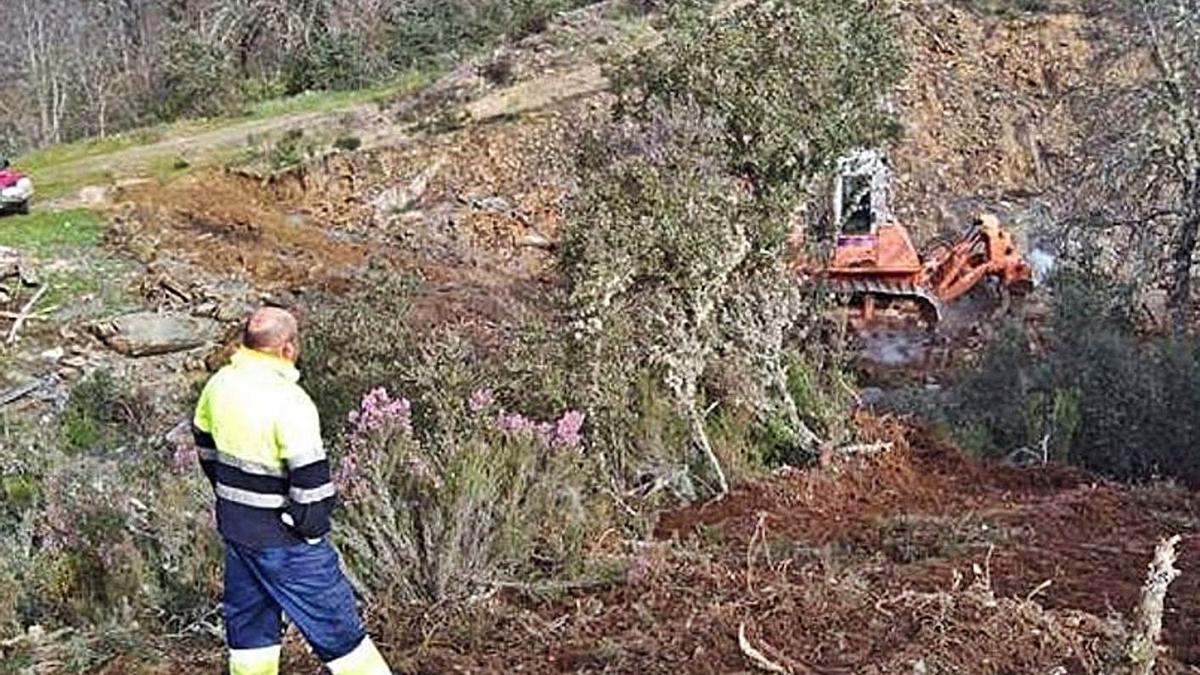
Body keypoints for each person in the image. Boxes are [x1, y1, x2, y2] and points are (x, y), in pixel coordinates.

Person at [192, 307, 391, 675]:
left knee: (251, 635)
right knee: (341, 634)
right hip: (285, 543)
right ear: (286, 348)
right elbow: (312, 485)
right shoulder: (290, 401)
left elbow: (204, 444)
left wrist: (230, 494)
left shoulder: (219, 385)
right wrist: (309, 531)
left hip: (238, 531)